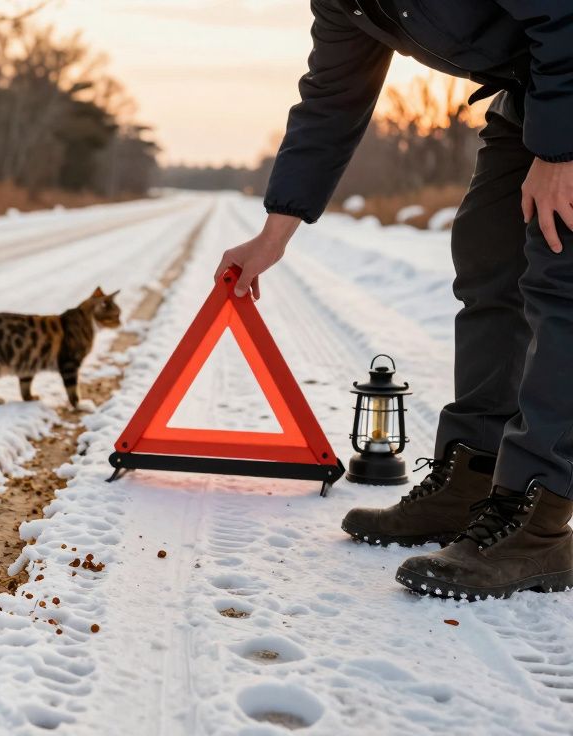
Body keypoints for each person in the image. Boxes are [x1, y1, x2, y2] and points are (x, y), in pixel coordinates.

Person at [216, 1, 573, 600]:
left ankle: (538, 521)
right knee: (489, 259)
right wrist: (273, 235)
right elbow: (331, 100)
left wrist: (561, 152)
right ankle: (472, 479)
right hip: (534, 91)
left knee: (560, 278)